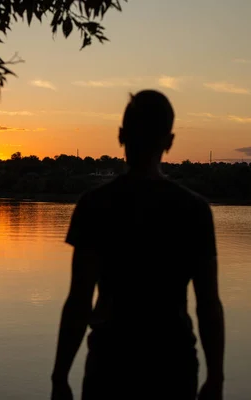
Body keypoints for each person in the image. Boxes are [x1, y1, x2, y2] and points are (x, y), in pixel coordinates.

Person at [50, 90, 225, 400]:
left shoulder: (95, 206)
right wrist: (215, 378)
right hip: (174, 367)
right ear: (169, 142)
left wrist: (60, 377)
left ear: (121, 136)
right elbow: (208, 304)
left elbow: (79, 300)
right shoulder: (194, 210)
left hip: (110, 365)